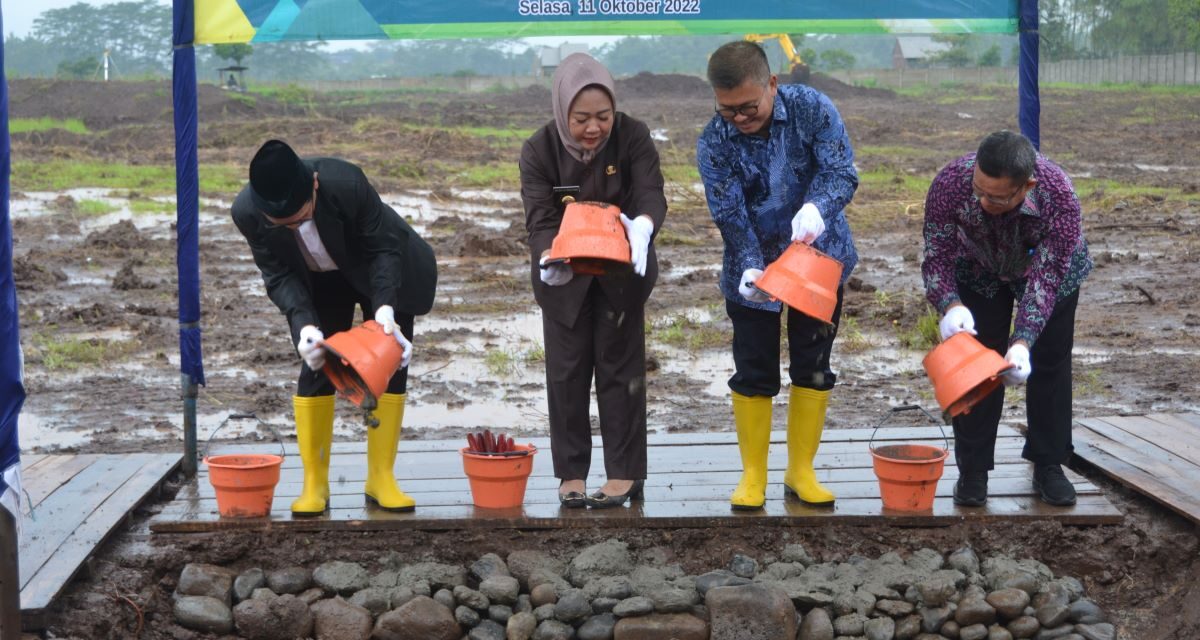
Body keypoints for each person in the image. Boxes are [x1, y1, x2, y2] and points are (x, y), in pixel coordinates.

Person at [231, 139, 437, 516]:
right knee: (315, 368)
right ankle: (315, 484)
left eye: (300, 218)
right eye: (284, 224)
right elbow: (277, 274)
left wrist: (386, 309)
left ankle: (381, 478)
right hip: (319, 282)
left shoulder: (346, 183)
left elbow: (384, 248)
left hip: (381, 270)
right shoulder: (247, 213)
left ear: (313, 184)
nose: (293, 226)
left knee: (389, 362)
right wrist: (303, 326)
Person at [697, 41, 859, 511]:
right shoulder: (713, 140)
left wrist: (818, 207)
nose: (740, 118)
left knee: (813, 364)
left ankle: (800, 471)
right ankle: (753, 475)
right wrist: (750, 260)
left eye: (748, 106)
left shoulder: (812, 109)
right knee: (753, 369)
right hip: (751, 268)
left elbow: (841, 172)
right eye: (727, 110)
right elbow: (727, 210)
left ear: (772, 83)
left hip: (817, 258)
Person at [519, 53, 667, 509]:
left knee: (620, 372)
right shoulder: (539, 149)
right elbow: (540, 217)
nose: (593, 128)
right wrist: (549, 255)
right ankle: (571, 473)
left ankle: (624, 473)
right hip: (564, 279)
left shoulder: (633, 136)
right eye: (581, 118)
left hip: (621, 275)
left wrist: (643, 224)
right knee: (566, 374)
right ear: (563, 111)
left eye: (602, 116)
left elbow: (649, 191)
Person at [923, 130, 1091, 507]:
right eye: (979, 190)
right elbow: (937, 253)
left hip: (1049, 274)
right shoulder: (950, 183)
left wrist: (1022, 343)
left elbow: (1046, 279)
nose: (983, 201)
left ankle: (1049, 463)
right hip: (979, 269)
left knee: (1049, 362)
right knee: (976, 363)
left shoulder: (1059, 196)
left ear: (1026, 186)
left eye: (996, 197)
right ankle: (973, 470)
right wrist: (950, 305)